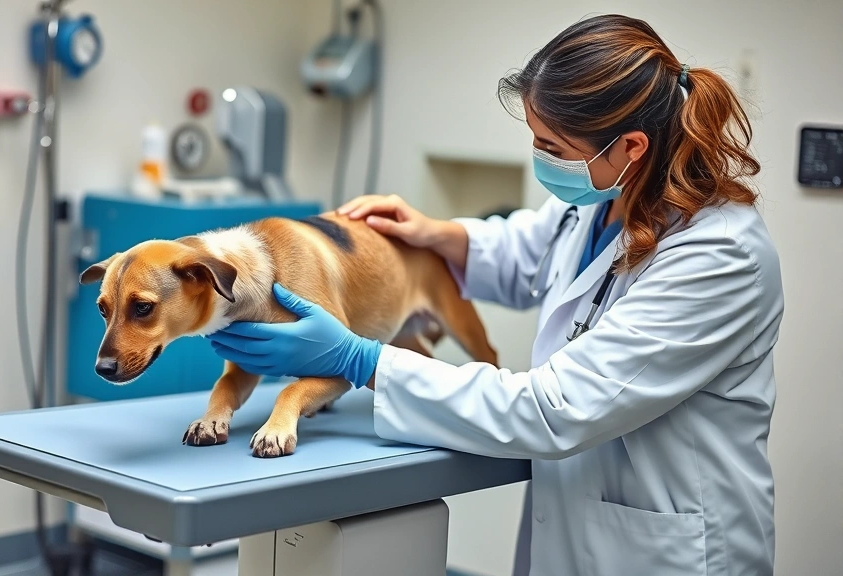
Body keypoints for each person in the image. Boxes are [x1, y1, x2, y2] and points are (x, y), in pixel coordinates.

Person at [207, 14, 783, 576]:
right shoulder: (603, 200)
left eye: (551, 146)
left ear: (631, 147)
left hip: (667, 546)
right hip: (575, 525)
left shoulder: (719, 257)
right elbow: (525, 252)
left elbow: (554, 409)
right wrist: (434, 233)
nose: (542, 159)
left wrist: (362, 359)